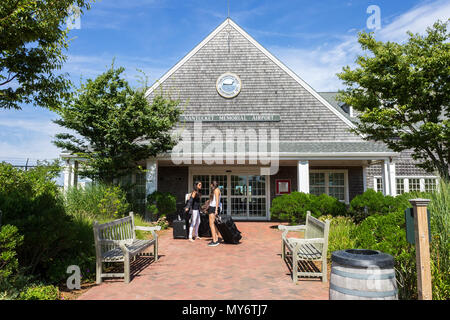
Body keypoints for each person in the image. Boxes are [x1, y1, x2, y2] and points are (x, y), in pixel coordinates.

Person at [207, 181, 222, 247]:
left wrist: (216, 210)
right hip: (213, 207)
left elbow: (217, 200)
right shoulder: (217, 190)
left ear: (212, 185)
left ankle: (215, 241)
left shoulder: (216, 190)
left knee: (211, 224)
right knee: (214, 224)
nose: (210, 186)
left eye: (211, 184)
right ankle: (216, 238)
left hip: (213, 208)